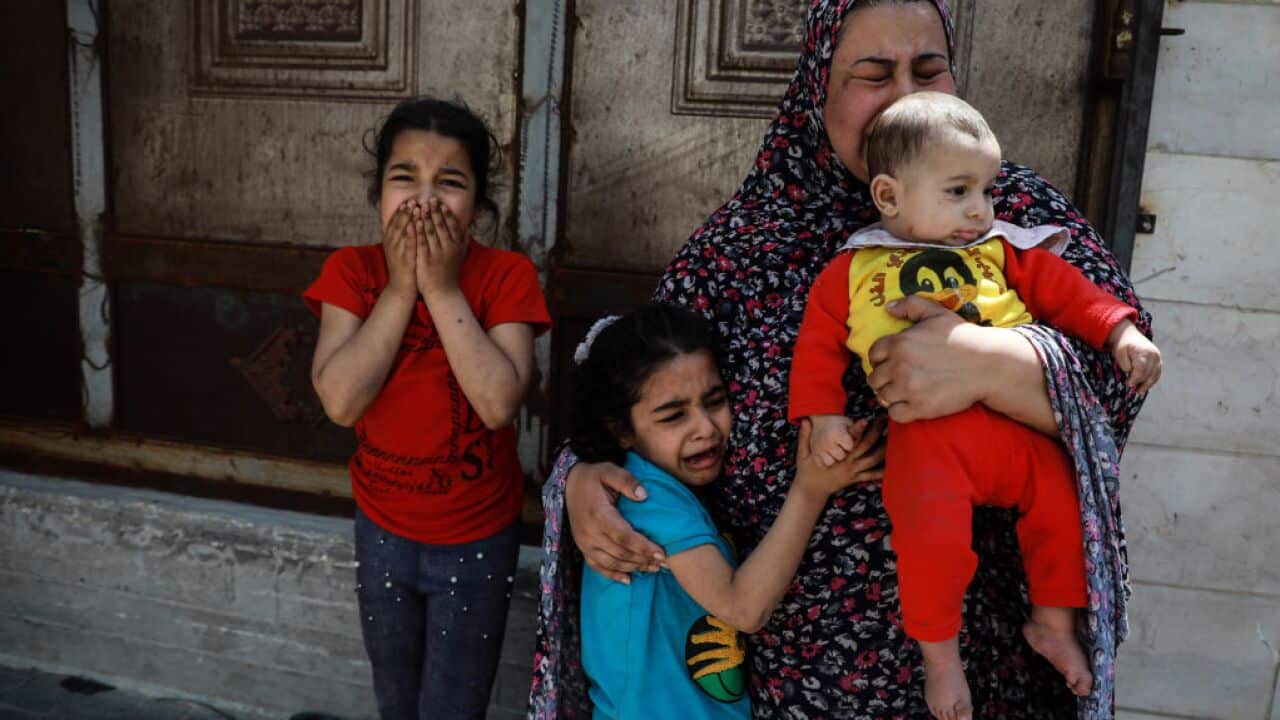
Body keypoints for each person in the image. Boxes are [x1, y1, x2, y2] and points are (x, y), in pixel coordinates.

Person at [530, 1, 1151, 718]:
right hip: (793, 677)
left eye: (929, 70)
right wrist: (588, 478)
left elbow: (1121, 380)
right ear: (817, 90)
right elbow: (644, 380)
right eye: (873, 75)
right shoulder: (744, 243)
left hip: (987, 667)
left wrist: (993, 366)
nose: (904, 97)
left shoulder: (1006, 209)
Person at [788, 91, 1162, 719]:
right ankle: (941, 659)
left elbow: (1070, 293)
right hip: (925, 441)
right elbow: (817, 348)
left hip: (1016, 428)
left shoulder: (999, 250)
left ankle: (1052, 622)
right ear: (889, 196)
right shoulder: (852, 269)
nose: (980, 209)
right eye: (958, 191)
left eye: (987, 190)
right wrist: (822, 418)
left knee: (1064, 500)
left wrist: (1121, 332)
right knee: (929, 546)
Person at [304, 97, 550, 720]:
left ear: (479, 204)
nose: (424, 201)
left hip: (476, 537)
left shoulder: (506, 277)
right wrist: (398, 289)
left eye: (450, 182)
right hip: (382, 528)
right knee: (396, 699)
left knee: (452, 708)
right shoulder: (352, 272)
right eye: (404, 178)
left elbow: (497, 403)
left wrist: (439, 288)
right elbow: (340, 401)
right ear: (378, 193)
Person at [570, 304, 885, 719]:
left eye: (715, 401)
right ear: (621, 430)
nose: (705, 428)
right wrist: (810, 489)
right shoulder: (647, 498)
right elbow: (743, 609)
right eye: (674, 416)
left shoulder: (668, 487)